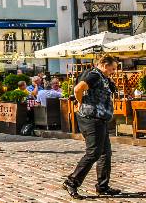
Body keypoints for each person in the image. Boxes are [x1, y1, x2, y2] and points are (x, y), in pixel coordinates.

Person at [63, 55, 122, 199]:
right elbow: (78, 89)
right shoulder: (94, 75)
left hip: (100, 119)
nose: (114, 71)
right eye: (112, 68)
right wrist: (81, 102)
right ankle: (71, 182)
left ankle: (103, 187)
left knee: (105, 153)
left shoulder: (103, 77)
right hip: (91, 119)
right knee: (94, 153)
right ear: (103, 64)